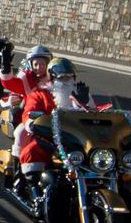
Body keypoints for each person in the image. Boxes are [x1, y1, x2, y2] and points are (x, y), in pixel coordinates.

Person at [12, 57, 88, 192]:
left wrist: (85, 105)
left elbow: (97, 115)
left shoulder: (80, 95)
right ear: (52, 79)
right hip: (50, 139)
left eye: (69, 78)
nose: (66, 82)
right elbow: (29, 113)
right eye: (62, 78)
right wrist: (33, 123)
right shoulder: (40, 94)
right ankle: (32, 187)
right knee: (32, 152)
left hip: (79, 140)